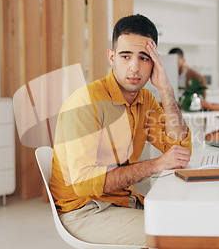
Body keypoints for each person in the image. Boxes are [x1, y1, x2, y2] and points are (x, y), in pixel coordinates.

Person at [51, 14, 192, 246]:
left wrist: (165, 87)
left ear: (154, 63)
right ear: (112, 57)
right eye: (126, 56)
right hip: (85, 211)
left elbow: (179, 149)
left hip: (120, 202)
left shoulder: (145, 100)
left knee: (195, 225)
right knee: (175, 236)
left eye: (144, 58)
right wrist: (156, 164)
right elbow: (85, 184)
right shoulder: (86, 102)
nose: (134, 67)